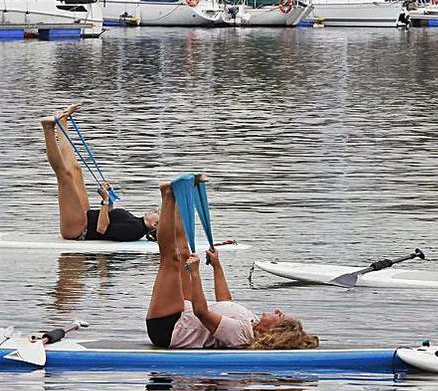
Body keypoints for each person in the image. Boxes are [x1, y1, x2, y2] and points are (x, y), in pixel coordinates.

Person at [145, 176, 317, 350]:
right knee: (183, 252)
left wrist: (195, 273)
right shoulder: (251, 322)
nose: (278, 311)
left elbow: (202, 313)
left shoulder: (241, 335)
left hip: (169, 329)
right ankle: (181, 195)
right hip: (184, 315)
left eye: (280, 317)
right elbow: (225, 302)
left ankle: (168, 195)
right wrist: (217, 267)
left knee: (171, 259)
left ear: (274, 331)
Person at [38, 104, 159, 241]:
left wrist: (105, 201)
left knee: (65, 176)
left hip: (78, 230)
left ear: (155, 224)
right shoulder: (136, 223)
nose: (155, 210)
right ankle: (62, 122)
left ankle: (48, 129)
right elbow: (108, 222)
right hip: (84, 218)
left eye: (158, 213)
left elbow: (102, 229)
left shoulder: (134, 231)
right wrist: (109, 199)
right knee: (76, 170)